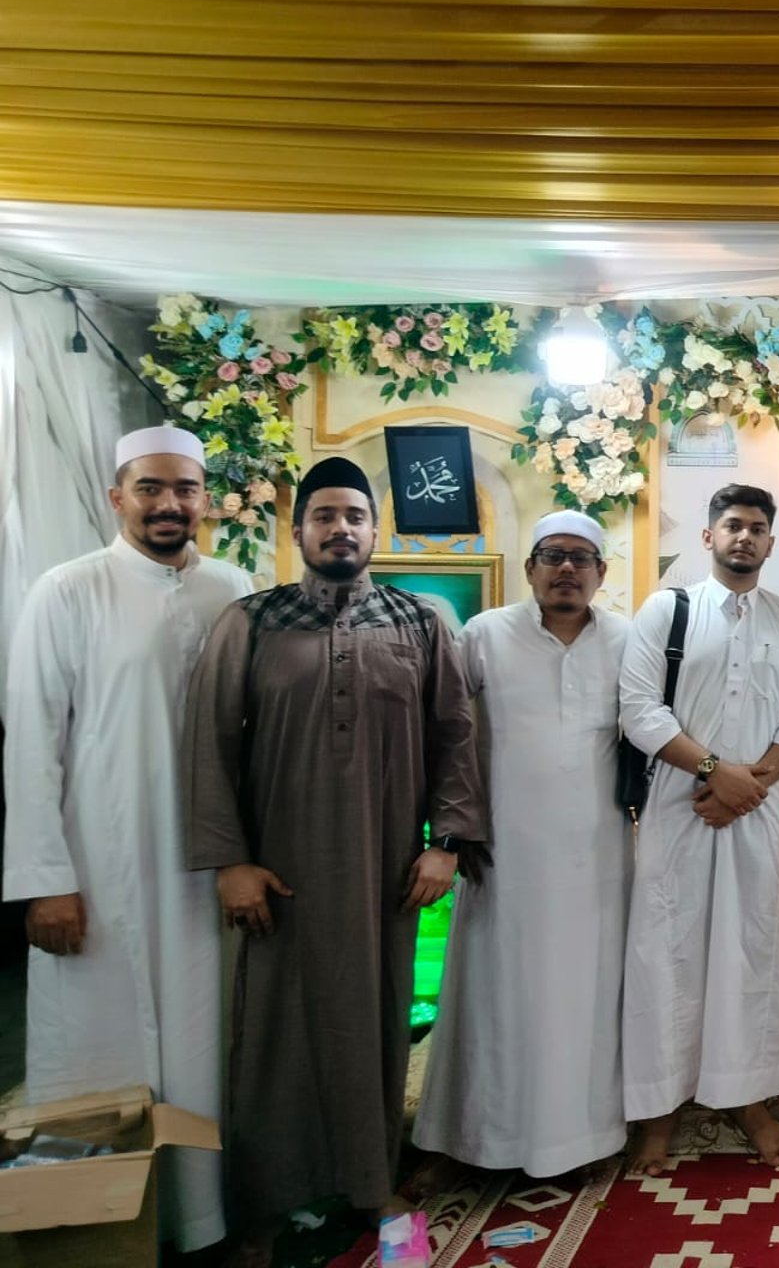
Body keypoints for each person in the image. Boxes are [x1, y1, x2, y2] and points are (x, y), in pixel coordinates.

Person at [184, 455, 486, 1261]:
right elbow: (209, 745)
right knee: (275, 1027)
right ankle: (266, 1201)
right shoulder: (251, 622)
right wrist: (230, 861)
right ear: (299, 530)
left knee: (376, 1020)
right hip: (281, 866)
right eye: (325, 515)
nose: (340, 528)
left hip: (387, 866)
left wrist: (445, 845)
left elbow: (456, 736)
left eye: (355, 515)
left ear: (375, 530)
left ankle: (367, 1178)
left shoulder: (420, 622)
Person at [2, 425, 250, 1254]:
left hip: (205, 870)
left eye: (185, 489)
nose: (169, 504)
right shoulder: (66, 591)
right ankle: (94, 1223)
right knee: (99, 1045)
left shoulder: (233, 588)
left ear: (205, 499)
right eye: (150, 488)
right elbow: (34, 742)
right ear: (118, 497)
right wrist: (45, 880)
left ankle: (203, 1219)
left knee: (204, 1037)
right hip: (100, 869)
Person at [414, 511, 631, 1178]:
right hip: (505, 854)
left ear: (601, 574)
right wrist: (451, 833)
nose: (567, 569)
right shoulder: (484, 635)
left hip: (597, 857)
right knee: (496, 996)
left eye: (581, 558)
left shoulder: (627, 639)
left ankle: (580, 1143)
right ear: (531, 567)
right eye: (552, 555)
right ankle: (482, 1143)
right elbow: (449, 736)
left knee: (585, 997)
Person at [619, 483, 779, 1174]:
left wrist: (750, 781)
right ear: (708, 537)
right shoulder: (667, 610)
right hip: (678, 810)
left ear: (770, 542)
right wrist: (713, 768)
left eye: (758, 528)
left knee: (750, 954)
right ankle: (660, 1111)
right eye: (733, 525)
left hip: (756, 813)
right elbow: (640, 711)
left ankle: (747, 1102)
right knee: (668, 955)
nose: (745, 537)